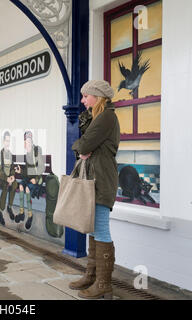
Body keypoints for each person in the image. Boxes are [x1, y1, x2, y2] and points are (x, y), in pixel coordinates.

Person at [69, 80, 120, 300]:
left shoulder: (107, 117)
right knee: (92, 229)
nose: (82, 100)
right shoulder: (96, 117)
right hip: (93, 180)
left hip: (102, 181)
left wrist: (81, 148)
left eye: (85, 96)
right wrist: (81, 148)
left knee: (100, 229)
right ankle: (91, 275)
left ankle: (103, 285)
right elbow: (81, 144)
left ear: (97, 96)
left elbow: (84, 144)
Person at [14, 131, 45, 230]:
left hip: (37, 180)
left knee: (27, 188)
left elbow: (41, 167)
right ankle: (22, 213)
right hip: (29, 179)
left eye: (29, 142)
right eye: (26, 142)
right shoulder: (28, 154)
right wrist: (20, 171)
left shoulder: (36, 152)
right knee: (21, 186)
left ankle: (30, 215)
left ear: (31, 142)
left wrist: (35, 179)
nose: (27, 144)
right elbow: (27, 173)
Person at [0, 131, 18, 226]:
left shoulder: (10, 154)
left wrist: (12, 176)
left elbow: (13, 168)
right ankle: (0, 210)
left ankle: (9, 207)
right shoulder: (0, 155)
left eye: (9, 141)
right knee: (6, 186)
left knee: (14, 184)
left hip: (9, 178)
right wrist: (6, 179)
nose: (7, 143)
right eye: (6, 141)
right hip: (1, 179)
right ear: (3, 141)